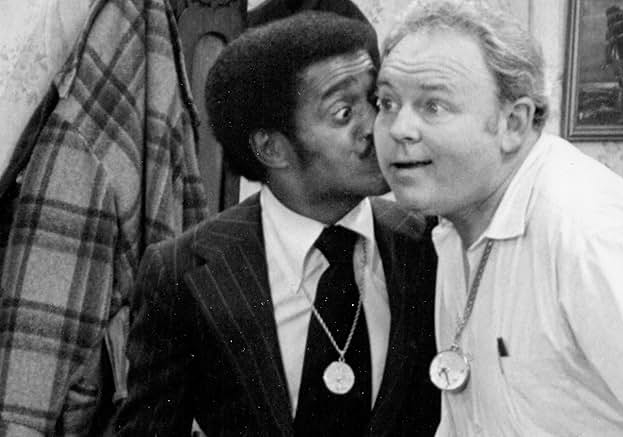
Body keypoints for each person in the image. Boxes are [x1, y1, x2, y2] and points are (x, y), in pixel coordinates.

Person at [373, 1, 623, 436]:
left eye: (434, 106)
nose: (398, 128)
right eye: (386, 102)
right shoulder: (454, 226)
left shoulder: (591, 232)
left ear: (513, 123)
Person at [114, 9, 439, 436]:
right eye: (344, 113)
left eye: (376, 103)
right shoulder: (182, 271)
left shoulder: (430, 244)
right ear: (272, 149)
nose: (376, 128)